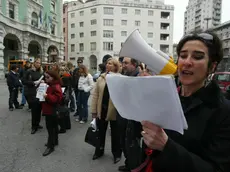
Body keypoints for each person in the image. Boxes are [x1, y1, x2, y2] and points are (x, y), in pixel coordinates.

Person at [138, 32, 230, 172]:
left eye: (197, 57)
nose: (187, 62)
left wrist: (166, 146)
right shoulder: (166, 97)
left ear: (212, 67)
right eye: (183, 55)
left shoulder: (224, 111)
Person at [91, 58, 122, 163]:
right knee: (100, 132)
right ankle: (99, 151)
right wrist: (94, 111)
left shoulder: (120, 78)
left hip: (115, 111)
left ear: (116, 66)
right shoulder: (101, 78)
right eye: (107, 63)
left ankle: (117, 154)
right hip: (102, 109)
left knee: (116, 133)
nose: (108, 65)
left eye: (111, 64)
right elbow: (95, 95)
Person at [118, 57, 142, 172]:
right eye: (122, 63)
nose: (123, 65)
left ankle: (133, 167)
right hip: (124, 116)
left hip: (134, 119)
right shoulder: (126, 75)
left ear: (134, 64)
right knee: (125, 142)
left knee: (133, 145)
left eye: (126, 63)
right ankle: (128, 164)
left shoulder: (140, 78)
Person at [42, 70, 63, 156]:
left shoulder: (55, 86)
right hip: (49, 109)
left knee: (50, 128)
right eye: (45, 77)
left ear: (53, 77)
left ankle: (50, 146)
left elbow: (56, 99)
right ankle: (54, 141)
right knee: (53, 127)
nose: (46, 79)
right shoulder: (51, 85)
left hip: (52, 110)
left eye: (48, 77)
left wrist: (47, 96)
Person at [22, 58, 44, 134]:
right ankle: (33, 126)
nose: (38, 64)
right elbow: (23, 81)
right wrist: (33, 82)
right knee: (34, 111)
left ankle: (37, 124)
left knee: (39, 110)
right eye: (37, 62)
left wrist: (43, 81)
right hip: (32, 93)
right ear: (34, 63)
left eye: (39, 63)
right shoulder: (29, 71)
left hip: (40, 94)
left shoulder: (41, 72)